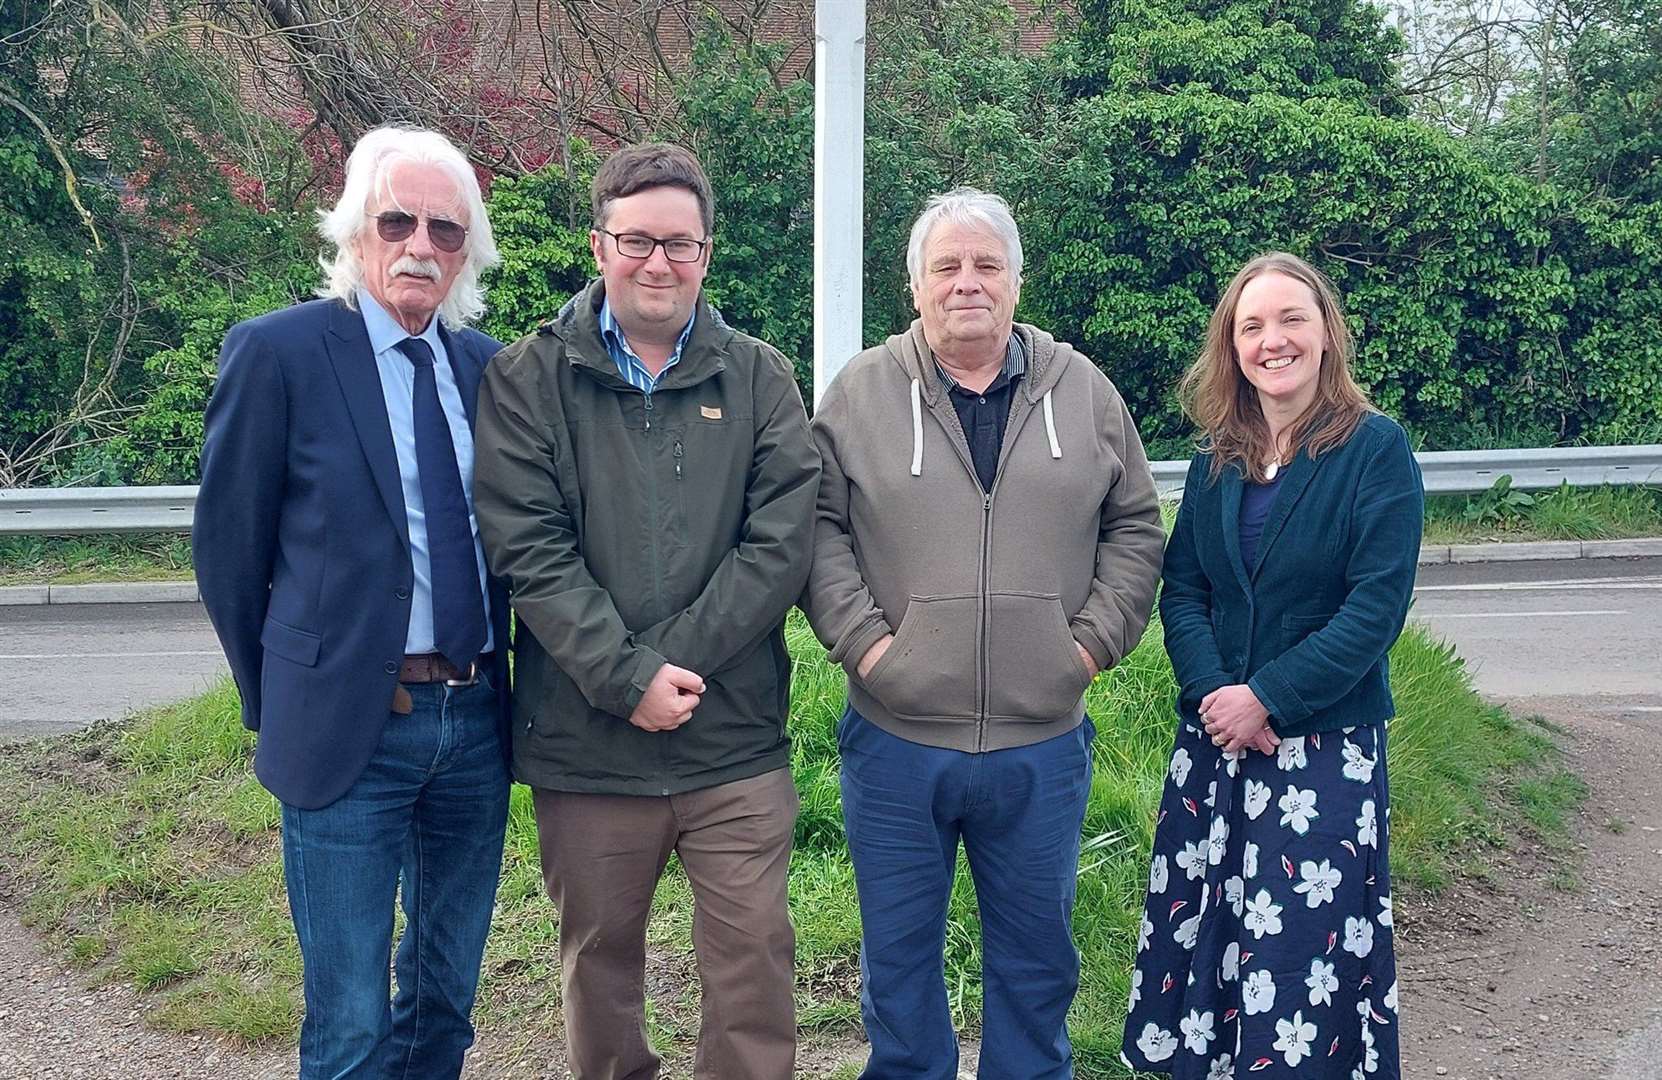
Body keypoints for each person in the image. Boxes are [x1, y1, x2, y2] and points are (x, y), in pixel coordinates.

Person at [471, 142, 819, 1080]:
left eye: (680, 243)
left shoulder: (760, 379)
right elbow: (527, 549)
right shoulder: (526, 379)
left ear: (707, 252)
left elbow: (781, 543)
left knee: (753, 967)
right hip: (587, 744)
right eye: (636, 240)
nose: (657, 262)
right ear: (598, 245)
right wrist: (626, 681)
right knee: (601, 974)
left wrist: (670, 671)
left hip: (731, 738)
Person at [803, 187, 1165, 1078]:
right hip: (894, 743)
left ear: (1015, 280)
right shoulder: (859, 392)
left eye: (986, 265)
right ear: (915, 285)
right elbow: (816, 531)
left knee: (1037, 966)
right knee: (898, 965)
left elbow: (1136, 527)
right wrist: (873, 651)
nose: (967, 283)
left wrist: (1083, 649)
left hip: (1039, 744)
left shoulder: (1082, 390)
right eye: (947, 266)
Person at [193, 125, 511, 1079]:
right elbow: (228, 551)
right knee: (350, 1025)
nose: (421, 244)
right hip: (348, 731)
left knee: (445, 1005)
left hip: (476, 724)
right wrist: (283, 698)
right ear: (355, 230)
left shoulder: (485, 370)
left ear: (467, 254)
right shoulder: (279, 353)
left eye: (446, 231)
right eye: (399, 220)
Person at [1120, 252, 1423, 1079]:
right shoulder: (1220, 458)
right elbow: (1181, 590)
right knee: (1211, 945)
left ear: (1325, 333)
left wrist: (1268, 698)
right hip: (1216, 747)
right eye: (1252, 325)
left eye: (1291, 319)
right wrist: (1218, 694)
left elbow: (1374, 610)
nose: (1273, 339)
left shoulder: (1375, 450)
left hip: (1322, 752)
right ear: (1233, 346)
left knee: (1298, 964)